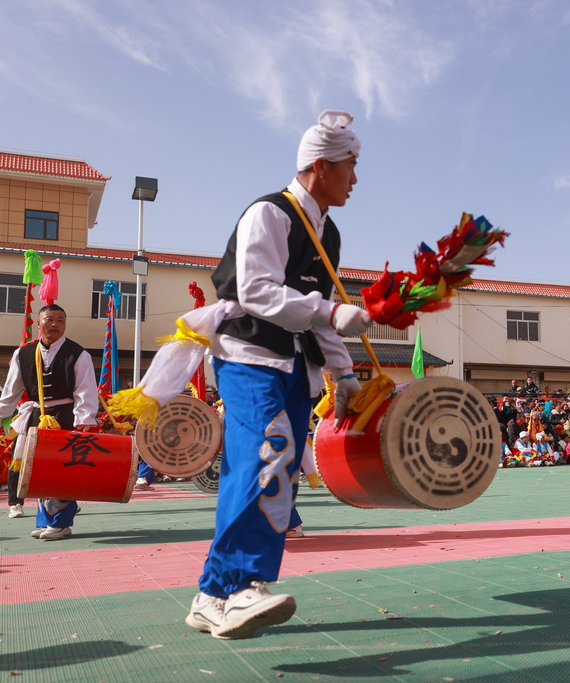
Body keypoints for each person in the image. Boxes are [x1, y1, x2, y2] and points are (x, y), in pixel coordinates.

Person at [183, 110, 373, 639]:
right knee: (269, 454)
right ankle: (243, 586)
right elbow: (256, 291)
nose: (355, 180)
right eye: (349, 168)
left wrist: (344, 373)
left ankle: (212, 594)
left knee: (270, 467)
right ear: (320, 166)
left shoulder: (327, 232)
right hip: (249, 356)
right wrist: (331, 314)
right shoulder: (270, 213)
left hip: (294, 364)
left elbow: (321, 306)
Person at [0, 305, 98, 537]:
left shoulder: (78, 353)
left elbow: (85, 390)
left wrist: (83, 421)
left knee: (61, 470)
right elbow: (11, 390)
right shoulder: (22, 353)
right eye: (50, 319)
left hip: (66, 417)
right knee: (38, 471)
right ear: (39, 322)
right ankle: (47, 521)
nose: (55, 323)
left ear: (65, 324)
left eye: (60, 320)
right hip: (34, 416)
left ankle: (61, 523)